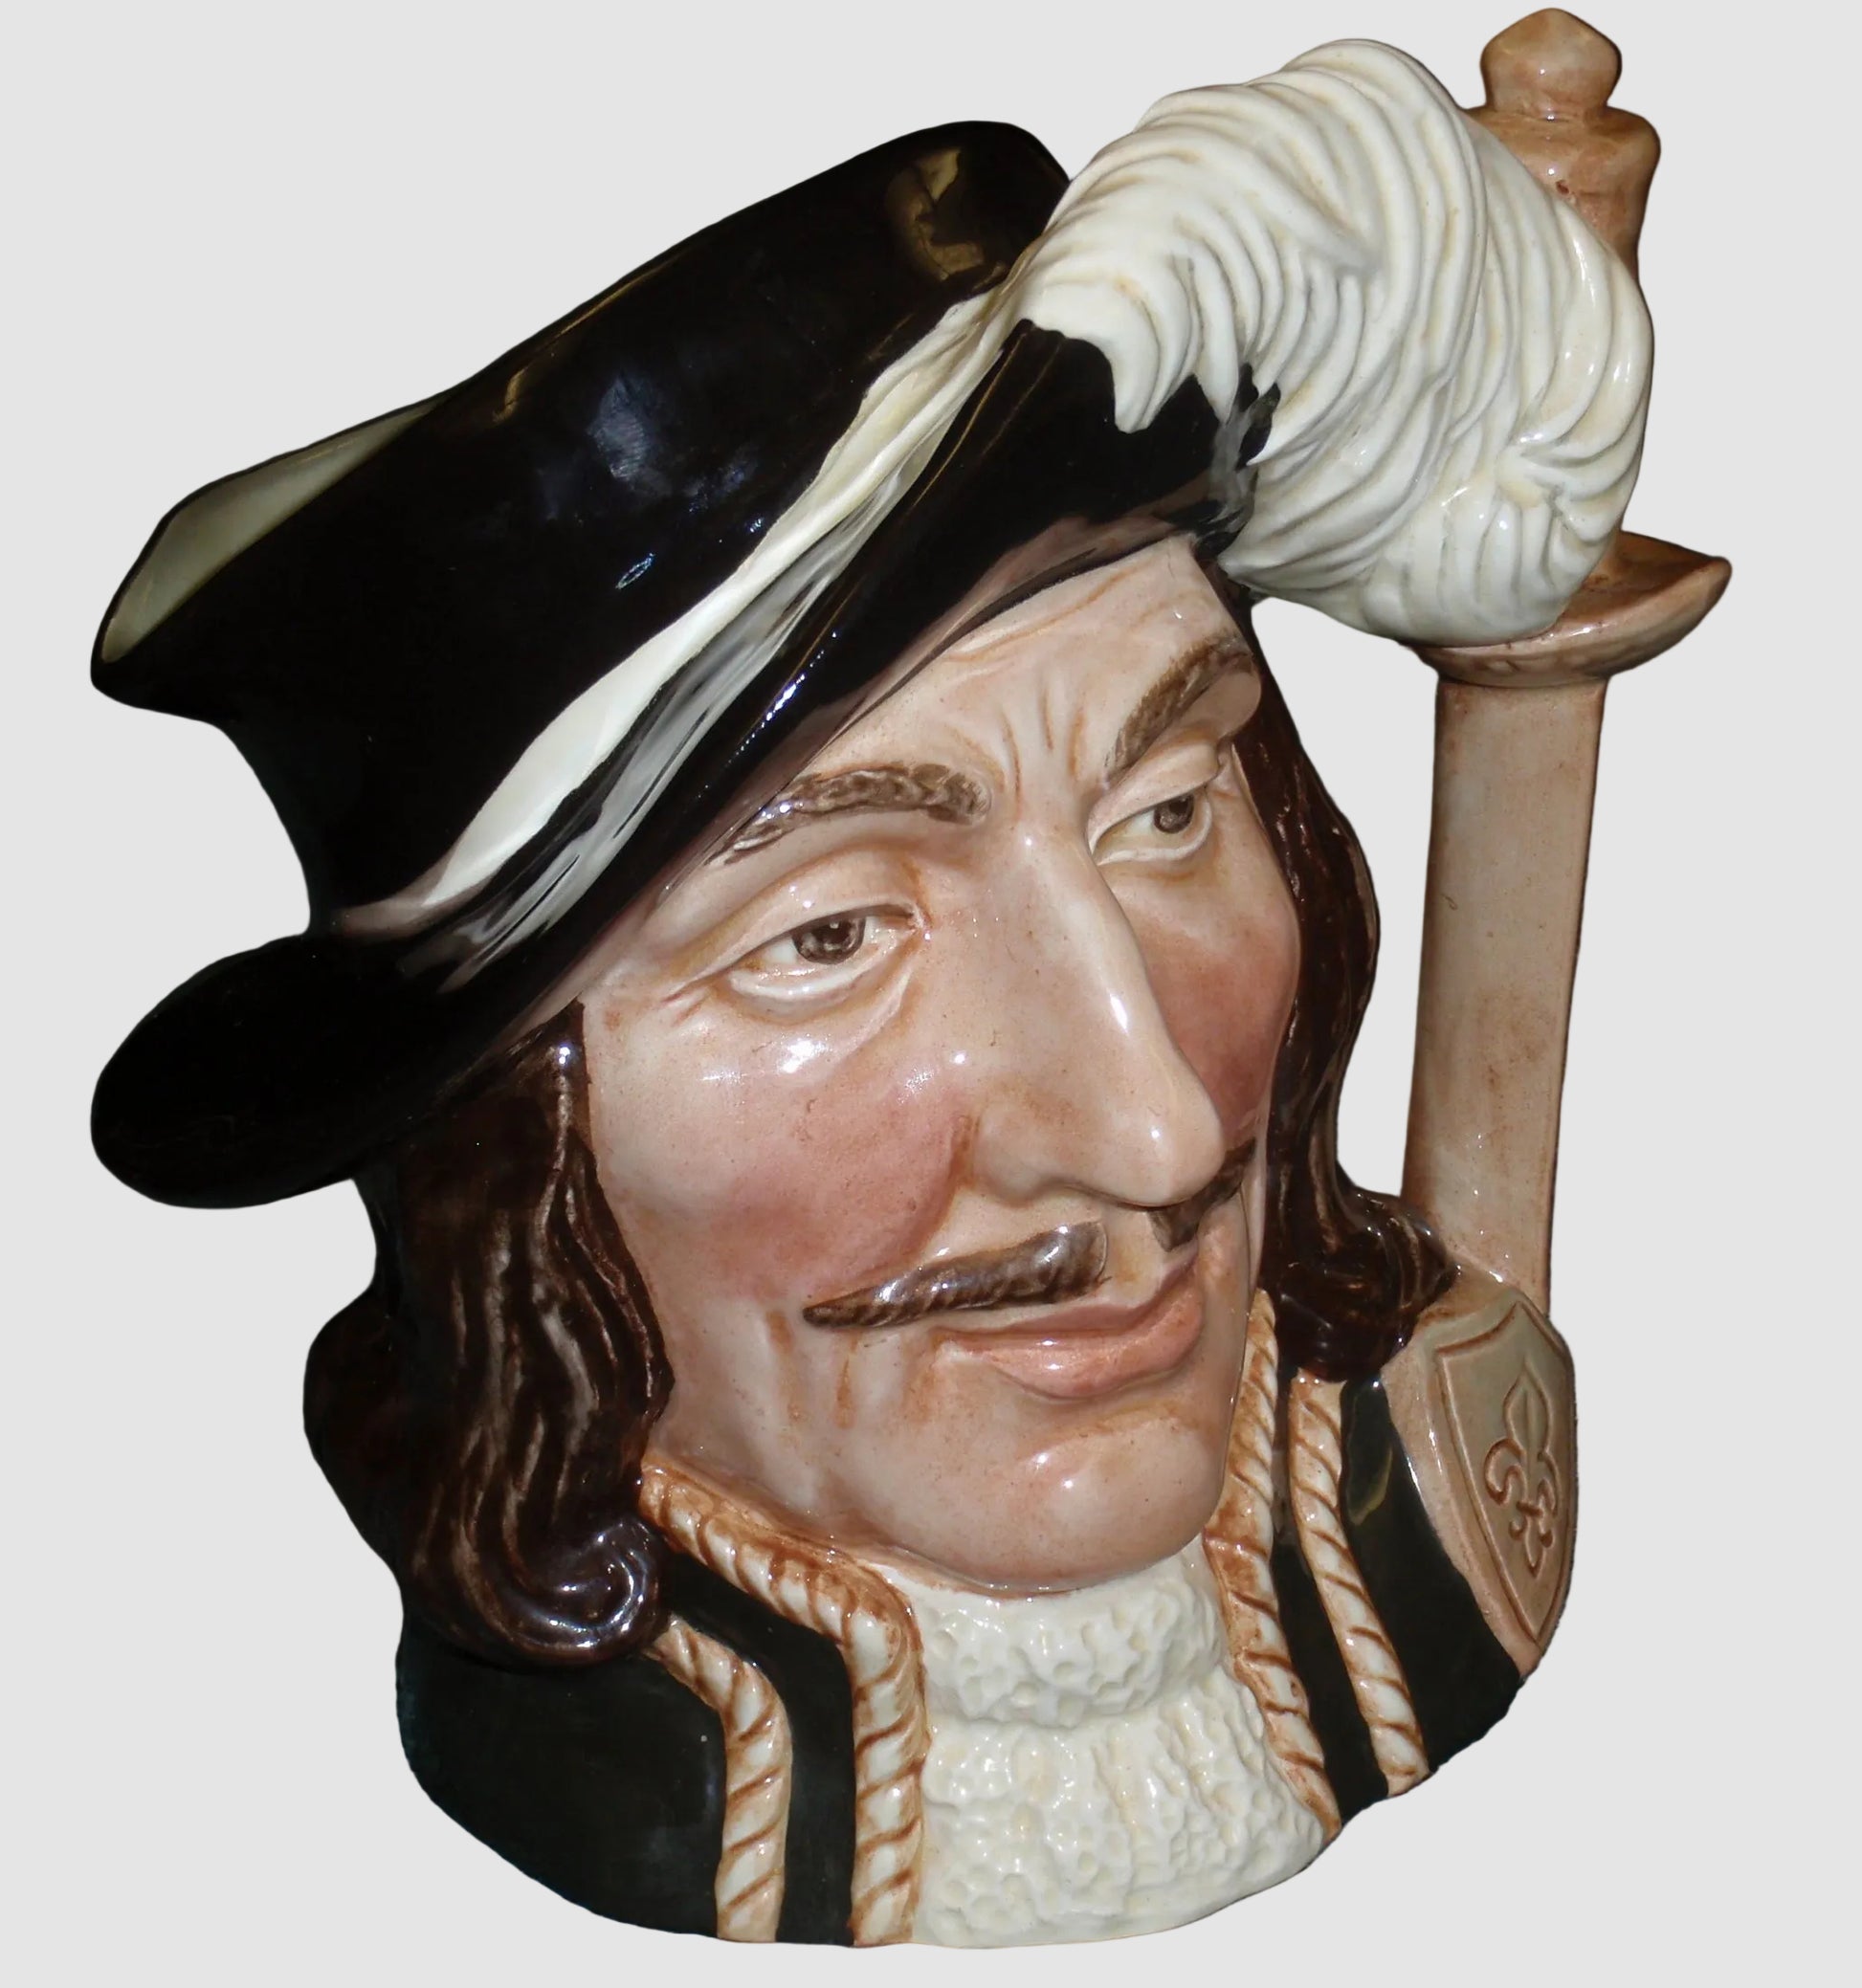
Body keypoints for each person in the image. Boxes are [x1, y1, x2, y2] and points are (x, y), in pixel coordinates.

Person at [91, 37, 1649, 1947]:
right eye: (825, 936)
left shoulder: (1436, 1514)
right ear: (510, 1148)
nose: (1155, 1123)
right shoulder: (618, 1764)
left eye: (1168, 813)